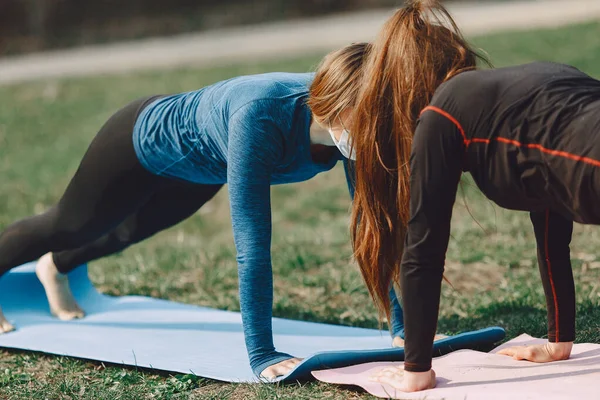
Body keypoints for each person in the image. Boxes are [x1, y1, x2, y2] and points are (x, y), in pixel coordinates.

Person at [0, 43, 411, 380]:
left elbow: (373, 225)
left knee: (127, 233)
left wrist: (401, 327)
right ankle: (49, 255)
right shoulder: (261, 117)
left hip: (202, 166)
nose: (380, 128)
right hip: (139, 139)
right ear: (335, 106)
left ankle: (56, 267)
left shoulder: (355, 130)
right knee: (69, 225)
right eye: (371, 117)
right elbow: (253, 247)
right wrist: (263, 353)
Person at [349, 0, 600, 393]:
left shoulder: (443, 114)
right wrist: (559, 342)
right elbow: (553, 224)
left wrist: (416, 369)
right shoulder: (527, 92)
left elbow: (423, 250)